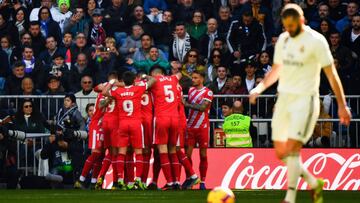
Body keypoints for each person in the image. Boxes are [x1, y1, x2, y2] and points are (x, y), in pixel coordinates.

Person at [249, 4, 351, 203]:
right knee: (281, 152)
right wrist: (259, 88)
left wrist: (341, 104)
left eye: (292, 26)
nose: (289, 30)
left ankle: (290, 197)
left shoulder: (317, 41)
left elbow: (332, 75)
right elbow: (277, 68)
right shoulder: (284, 40)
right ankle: (314, 183)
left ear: (302, 20)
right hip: (284, 100)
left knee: (293, 149)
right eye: (286, 26)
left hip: (306, 101)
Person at [102, 71, 156, 190]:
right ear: (133, 81)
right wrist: (144, 77)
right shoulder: (138, 89)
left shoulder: (118, 91)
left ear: (123, 81)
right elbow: (153, 80)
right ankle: (138, 180)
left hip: (123, 124)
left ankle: (120, 179)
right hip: (136, 123)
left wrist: (111, 82)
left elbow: (104, 92)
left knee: (122, 152)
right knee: (138, 152)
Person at [150, 65, 182, 190]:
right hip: (175, 119)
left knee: (162, 150)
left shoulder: (154, 82)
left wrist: (144, 77)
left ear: (155, 75)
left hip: (162, 118)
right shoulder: (173, 79)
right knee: (173, 151)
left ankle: (169, 183)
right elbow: (180, 74)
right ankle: (177, 182)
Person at [183, 70, 213, 190]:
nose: (193, 80)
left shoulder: (208, 92)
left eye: (195, 78)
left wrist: (186, 104)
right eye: (192, 78)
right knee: (187, 155)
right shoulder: (190, 90)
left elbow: (203, 108)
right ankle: (190, 178)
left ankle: (203, 182)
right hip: (190, 127)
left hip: (203, 127)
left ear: (201, 79)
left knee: (203, 155)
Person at [75, 92, 106, 189]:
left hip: (105, 128)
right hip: (97, 130)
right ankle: (81, 179)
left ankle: (94, 182)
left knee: (100, 157)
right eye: (90, 110)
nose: (92, 112)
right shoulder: (93, 121)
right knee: (95, 154)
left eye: (93, 110)